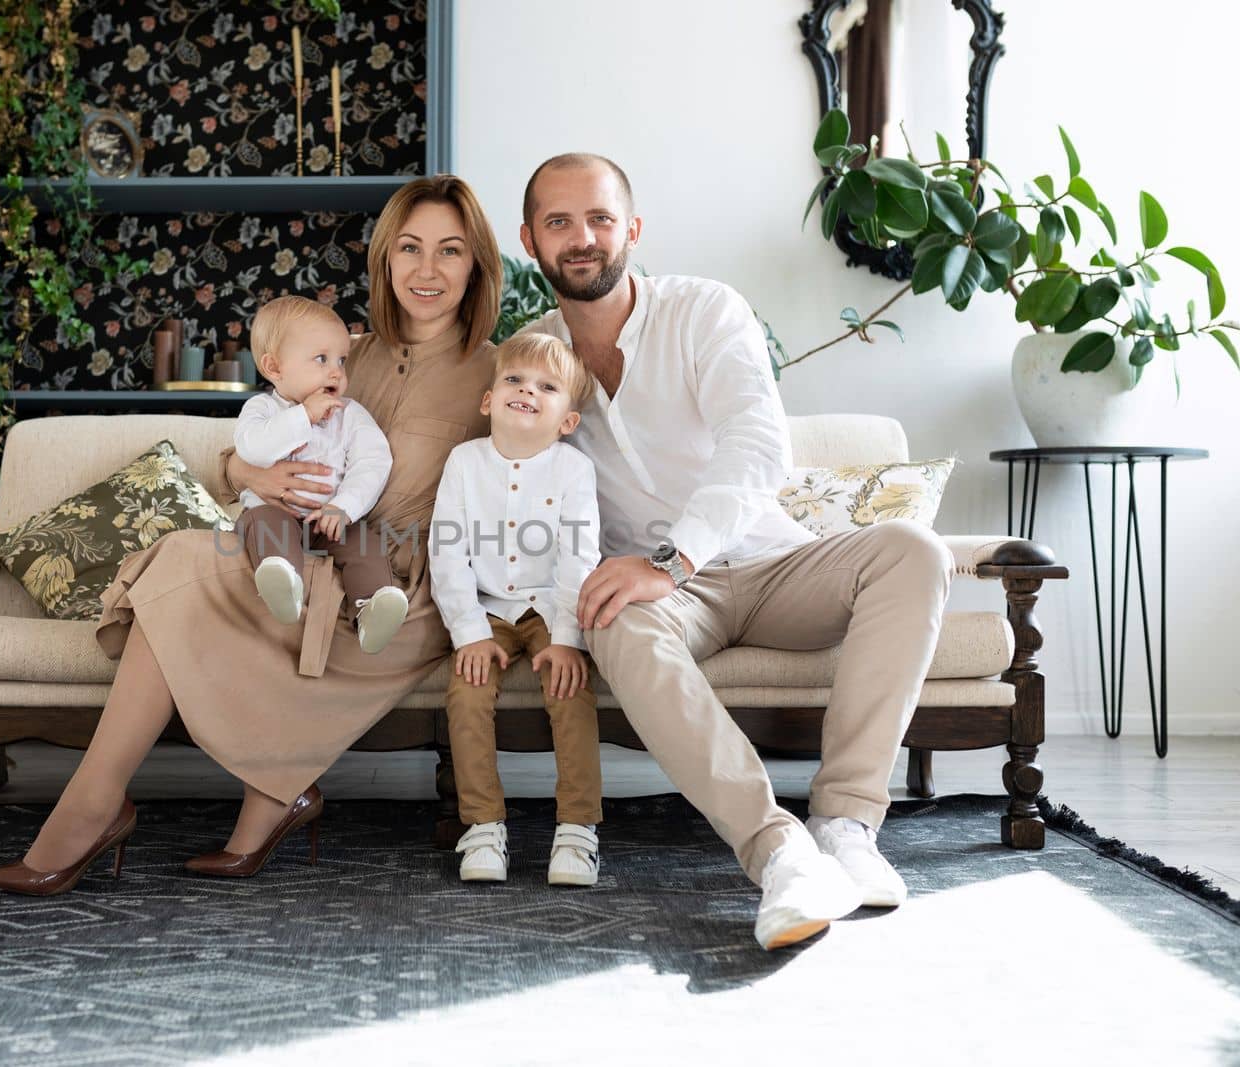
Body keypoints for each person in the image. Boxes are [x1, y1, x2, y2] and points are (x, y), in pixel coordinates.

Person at [0, 174, 503, 893]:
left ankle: (125, 808)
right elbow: (252, 446)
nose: (427, 269)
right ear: (385, 258)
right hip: (297, 550)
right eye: (409, 247)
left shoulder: (500, 371)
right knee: (184, 562)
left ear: (477, 262)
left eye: (450, 250)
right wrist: (243, 470)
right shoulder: (339, 350)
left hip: (397, 590)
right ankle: (104, 800)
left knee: (184, 565)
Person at [516, 153, 954, 949]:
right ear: (531, 241)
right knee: (611, 616)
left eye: (600, 218)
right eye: (559, 222)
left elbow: (758, 445)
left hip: (771, 563)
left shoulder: (704, 311)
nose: (583, 238)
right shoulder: (530, 359)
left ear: (632, 231)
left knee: (913, 551)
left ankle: (845, 825)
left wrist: (671, 559)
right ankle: (779, 850)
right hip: (668, 598)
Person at [428, 332, 603, 886]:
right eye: (514, 380)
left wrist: (567, 639)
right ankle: (482, 826)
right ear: (489, 400)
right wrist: (469, 633)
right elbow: (447, 550)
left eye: (547, 387)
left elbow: (580, 557)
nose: (527, 390)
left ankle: (578, 830)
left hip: (552, 607)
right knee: (466, 690)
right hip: (487, 609)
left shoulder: (574, 470)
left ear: (567, 421)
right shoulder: (464, 462)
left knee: (569, 691)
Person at [234, 295, 408, 654]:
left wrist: (344, 506)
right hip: (274, 512)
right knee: (264, 525)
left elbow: (373, 461)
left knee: (365, 544)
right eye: (321, 359)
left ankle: (371, 609)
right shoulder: (262, 409)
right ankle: (285, 583)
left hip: (330, 519)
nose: (336, 372)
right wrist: (305, 417)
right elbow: (253, 449)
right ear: (274, 367)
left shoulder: (351, 414)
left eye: (341, 361)